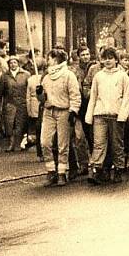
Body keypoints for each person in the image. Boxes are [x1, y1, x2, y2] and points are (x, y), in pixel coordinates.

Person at [85, 47, 129, 184]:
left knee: (117, 144)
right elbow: (93, 96)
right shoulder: (98, 76)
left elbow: (127, 97)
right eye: (105, 58)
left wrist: (123, 115)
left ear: (116, 60)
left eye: (110, 58)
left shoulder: (123, 76)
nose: (108, 61)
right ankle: (96, 170)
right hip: (100, 114)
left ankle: (118, 169)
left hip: (116, 114)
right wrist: (90, 115)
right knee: (98, 143)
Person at [37, 48, 81, 187]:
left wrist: (73, 111)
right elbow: (42, 99)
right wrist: (39, 93)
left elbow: (75, 95)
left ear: (55, 59)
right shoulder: (46, 77)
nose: (47, 60)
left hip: (64, 111)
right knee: (45, 142)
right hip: (49, 111)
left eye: (48, 58)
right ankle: (51, 171)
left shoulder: (68, 75)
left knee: (63, 144)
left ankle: (61, 172)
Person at [2, 56, 30, 152]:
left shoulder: (26, 74)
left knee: (22, 124)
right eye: (11, 63)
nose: (13, 65)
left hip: (23, 103)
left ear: (18, 63)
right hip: (10, 103)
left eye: (14, 62)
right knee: (10, 124)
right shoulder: (5, 76)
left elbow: (30, 89)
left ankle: (21, 143)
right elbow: (0, 91)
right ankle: (11, 144)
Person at [26, 56, 45, 160]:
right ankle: (40, 152)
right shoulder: (31, 80)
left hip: (39, 106)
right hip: (36, 106)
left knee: (39, 129)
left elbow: (28, 97)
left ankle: (40, 153)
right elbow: (28, 97)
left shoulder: (44, 78)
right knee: (38, 129)